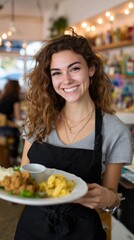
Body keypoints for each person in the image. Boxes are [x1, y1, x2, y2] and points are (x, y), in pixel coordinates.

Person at [14, 30, 133, 240]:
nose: (66, 80)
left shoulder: (115, 130)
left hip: (82, 232)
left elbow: (111, 197)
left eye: (74, 69)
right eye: (57, 73)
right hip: (32, 228)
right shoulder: (39, 122)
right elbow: (25, 176)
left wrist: (108, 199)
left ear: (91, 69)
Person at [0, 80, 22, 164]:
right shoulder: (15, 99)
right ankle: (15, 157)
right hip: (4, 129)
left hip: (1, 127)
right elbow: (18, 118)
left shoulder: (4, 98)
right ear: (17, 88)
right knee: (20, 132)